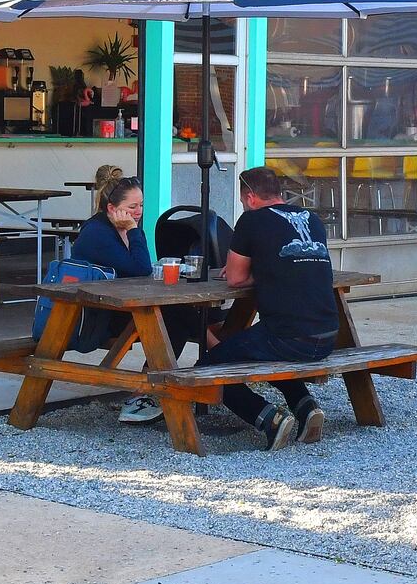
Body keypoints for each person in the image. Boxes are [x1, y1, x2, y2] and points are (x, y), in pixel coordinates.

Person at [203, 166, 342, 449]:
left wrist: (254, 269)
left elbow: (235, 278)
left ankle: (268, 418)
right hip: (328, 335)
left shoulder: (251, 221)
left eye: (243, 200)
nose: (244, 204)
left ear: (251, 197)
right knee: (263, 350)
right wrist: (268, 267)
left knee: (208, 367)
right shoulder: (311, 219)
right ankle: (306, 407)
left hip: (289, 338)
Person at [71, 168, 201, 426]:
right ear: (112, 208)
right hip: (93, 316)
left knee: (183, 312)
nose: (138, 212)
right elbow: (141, 269)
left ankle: (153, 386)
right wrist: (132, 229)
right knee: (177, 316)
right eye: (131, 207)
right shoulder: (98, 234)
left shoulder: (115, 228)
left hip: (116, 307)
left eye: (140, 205)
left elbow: (139, 269)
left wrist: (130, 229)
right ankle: (147, 390)